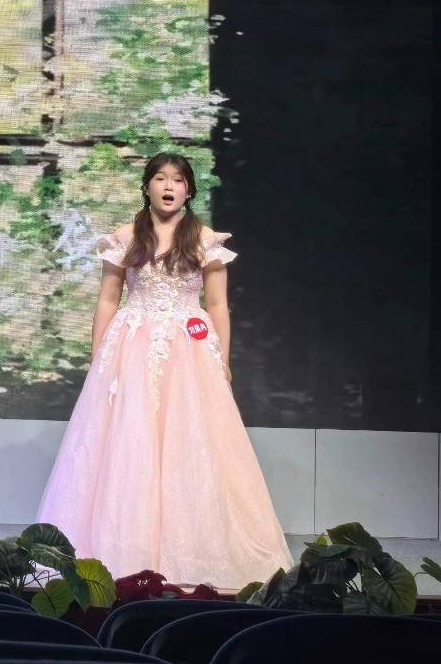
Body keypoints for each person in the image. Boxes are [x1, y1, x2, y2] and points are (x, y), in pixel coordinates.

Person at [36, 152, 293, 588]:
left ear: (189, 190)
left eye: (177, 179)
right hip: (131, 347)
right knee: (127, 442)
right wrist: (99, 357)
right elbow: (108, 299)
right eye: (160, 178)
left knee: (190, 442)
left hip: (189, 349)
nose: (169, 186)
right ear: (147, 186)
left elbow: (217, 305)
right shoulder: (125, 237)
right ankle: (120, 552)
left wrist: (223, 359)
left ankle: (190, 553)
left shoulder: (205, 240)